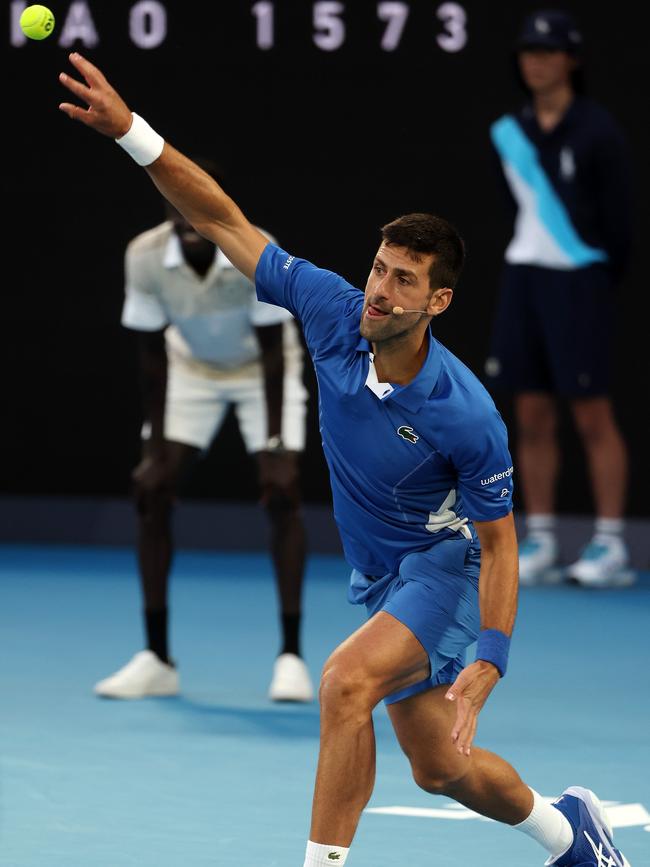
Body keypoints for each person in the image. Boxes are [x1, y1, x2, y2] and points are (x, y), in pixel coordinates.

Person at [59, 52, 631, 867]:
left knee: (342, 683)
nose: (379, 290)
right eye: (378, 269)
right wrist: (132, 135)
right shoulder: (333, 311)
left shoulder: (465, 413)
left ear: (438, 302)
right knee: (440, 767)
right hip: (380, 574)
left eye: (403, 281)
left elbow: (501, 543)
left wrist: (491, 660)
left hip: (443, 566)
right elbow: (223, 219)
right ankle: (572, 833)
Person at [92, 160, 314, 703]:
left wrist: (278, 447)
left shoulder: (254, 246)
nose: (188, 213)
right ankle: (157, 658)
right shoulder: (144, 256)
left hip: (263, 371)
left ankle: (290, 658)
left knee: (282, 493)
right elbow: (151, 358)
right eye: (176, 200)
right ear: (165, 204)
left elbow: (270, 351)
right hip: (188, 370)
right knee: (152, 492)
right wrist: (155, 449)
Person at [485, 9, 634, 587]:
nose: (536, 61)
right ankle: (541, 537)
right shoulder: (508, 132)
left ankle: (610, 544)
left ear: (571, 59)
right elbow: (516, 210)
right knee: (530, 412)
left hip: (581, 282)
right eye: (528, 52)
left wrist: (589, 275)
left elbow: (620, 227)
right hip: (525, 279)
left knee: (592, 413)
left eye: (548, 52)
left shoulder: (598, 132)